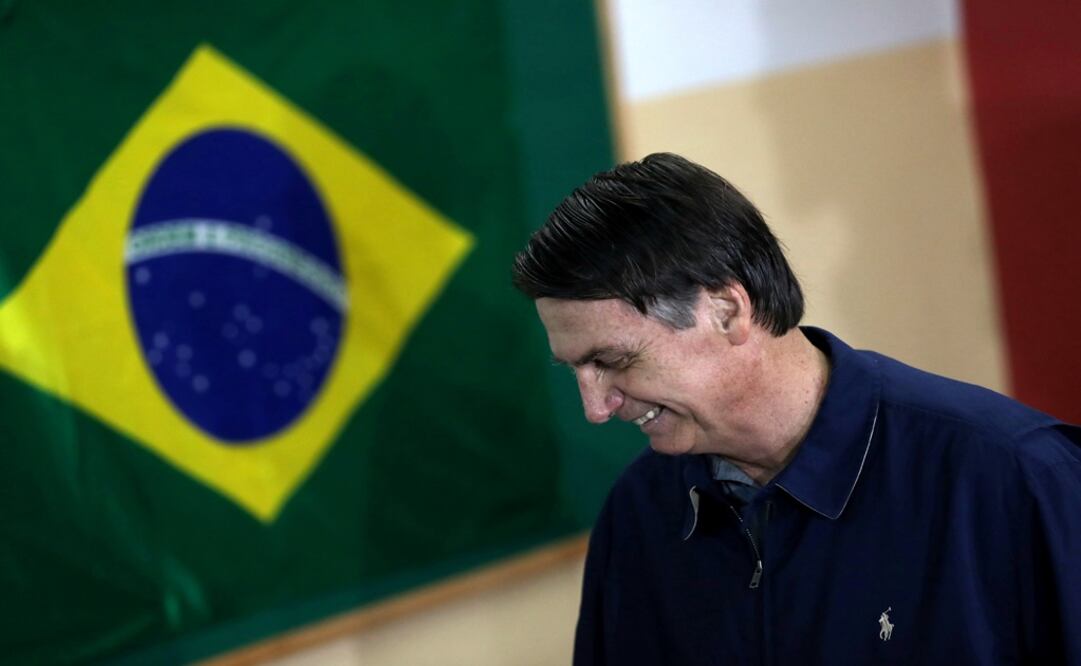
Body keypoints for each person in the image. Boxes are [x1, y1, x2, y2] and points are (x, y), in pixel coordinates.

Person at [511, 153, 1081, 665]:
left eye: (612, 360)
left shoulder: (1018, 479)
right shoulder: (637, 514)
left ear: (728, 311)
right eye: (576, 372)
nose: (596, 407)